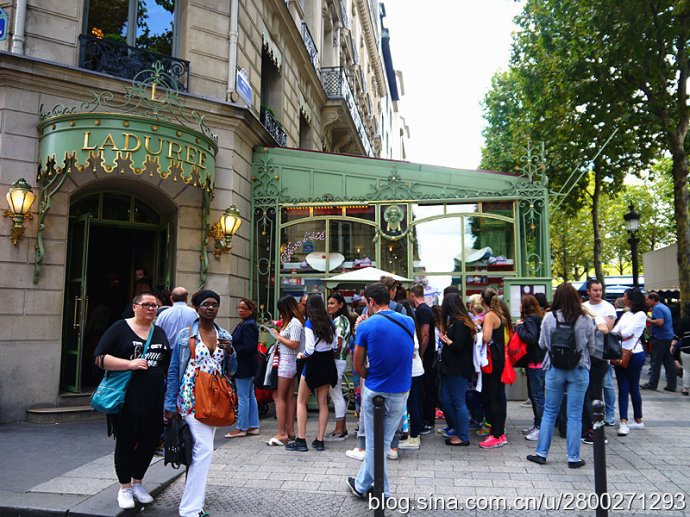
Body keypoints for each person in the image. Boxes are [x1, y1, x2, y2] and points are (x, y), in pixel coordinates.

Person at [94, 291, 170, 509]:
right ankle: (124, 487)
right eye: (146, 305)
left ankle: (138, 483)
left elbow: (165, 362)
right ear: (135, 307)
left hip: (153, 397)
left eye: (154, 306)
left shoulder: (158, 331)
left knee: (149, 441)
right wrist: (129, 364)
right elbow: (99, 358)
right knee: (126, 441)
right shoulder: (120, 328)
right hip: (127, 396)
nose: (151, 309)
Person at [163, 290, 237, 517]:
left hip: (215, 399)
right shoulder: (185, 336)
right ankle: (190, 510)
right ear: (196, 307)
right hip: (190, 397)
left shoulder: (224, 335)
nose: (211, 308)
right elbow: (174, 370)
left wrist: (230, 352)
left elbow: (232, 370)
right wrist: (169, 404)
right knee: (204, 450)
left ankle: (194, 504)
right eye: (206, 304)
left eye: (215, 304)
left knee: (200, 451)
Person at [347, 283, 414, 499]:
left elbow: (358, 367)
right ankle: (362, 485)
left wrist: (359, 330)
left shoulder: (366, 326)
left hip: (376, 389)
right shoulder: (409, 321)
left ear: (371, 302)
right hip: (401, 389)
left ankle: (380, 491)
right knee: (383, 442)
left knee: (375, 444)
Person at [526, 283, 594, 468]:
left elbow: (542, 344)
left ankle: (541, 453)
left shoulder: (549, 317)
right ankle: (573, 457)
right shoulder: (585, 319)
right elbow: (592, 347)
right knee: (575, 415)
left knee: (549, 412)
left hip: (554, 368)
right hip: (579, 368)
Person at [285, 294, 338, 452]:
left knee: (302, 401)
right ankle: (320, 440)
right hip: (328, 362)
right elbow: (335, 345)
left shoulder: (309, 322)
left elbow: (309, 348)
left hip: (313, 363)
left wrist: (302, 355)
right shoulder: (330, 322)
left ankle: (301, 440)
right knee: (323, 403)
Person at [438, 293, 476, 447]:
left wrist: (446, 341)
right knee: (446, 400)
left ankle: (462, 436)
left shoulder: (460, 324)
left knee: (458, 401)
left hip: (458, 369)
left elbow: (458, 346)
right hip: (450, 369)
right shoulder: (456, 322)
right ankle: (458, 429)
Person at [266, 296, 304, 445]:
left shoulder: (294, 323)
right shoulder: (294, 322)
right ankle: (289, 431)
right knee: (288, 396)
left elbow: (294, 344)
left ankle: (282, 433)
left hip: (288, 360)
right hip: (289, 360)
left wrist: (277, 336)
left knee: (279, 396)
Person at [612, 288, 648, 436]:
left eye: (625, 296)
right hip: (623, 353)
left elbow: (623, 333)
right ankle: (626, 420)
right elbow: (617, 332)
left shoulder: (640, 315)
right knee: (624, 388)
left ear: (632, 299)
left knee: (632, 388)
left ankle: (634, 420)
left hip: (633, 354)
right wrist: (623, 335)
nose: (623, 299)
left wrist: (622, 334)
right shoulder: (627, 314)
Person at [225, 298, 260, 438]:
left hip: (244, 366)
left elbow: (249, 347)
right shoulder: (245, 323)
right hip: (248, 365)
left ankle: (241, 428)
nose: (240, 310)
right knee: (250, 396)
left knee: (243, 397)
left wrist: (232, 348)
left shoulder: (248, 325)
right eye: (239, 308)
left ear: (251, 310)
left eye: (244, 308)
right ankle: (253, 425)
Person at [478, 287, 508, 448]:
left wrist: (478, 331)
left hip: (492, 361)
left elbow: (486, 337)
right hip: (498, 360)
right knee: (496, 397)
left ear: (482, 300)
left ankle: (497, 435)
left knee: (492, 397)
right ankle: (499, 432)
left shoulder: (489, 315)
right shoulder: (497, 314)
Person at [515, 294, 544, 441]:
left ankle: (540, 427)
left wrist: (519, 327)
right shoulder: (539, 318)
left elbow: (531, 338)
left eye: (521, 304)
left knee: (537, 396)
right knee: (535, 396)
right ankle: (537, 424)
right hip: (538, 362)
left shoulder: (530, 320)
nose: (519, 306)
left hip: (535, 363)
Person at [410, 283, 437, 434]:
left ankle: (428, 421)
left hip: (427, 356)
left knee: (427, 389)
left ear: (412, 295)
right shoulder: (424, 310)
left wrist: (420, 354)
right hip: (427, 355)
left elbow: (425, 334)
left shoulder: (423, 311)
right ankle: (426, 419)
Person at [398, 300, 425, 450]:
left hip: (413, 372)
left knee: (413, 404)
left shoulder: (408, 327)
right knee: (414, 403)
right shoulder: (411, 325)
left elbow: (414, 348)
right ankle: (415, 433)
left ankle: (414, 436)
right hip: (414, 371)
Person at [326, 292, 352, 441]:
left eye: (332, 303)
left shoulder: (339, 320)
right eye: (328, 303)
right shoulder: (342, 319)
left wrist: (330, 357)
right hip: (339, 360)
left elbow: (338, 343)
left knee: (336, 395)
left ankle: (339, 430)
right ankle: (342, 428)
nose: (329, 306)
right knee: (337, 394)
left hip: (337, 360)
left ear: (341, 304)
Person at [642, 292, 677, 392]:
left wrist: (647, 319)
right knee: (668, 362)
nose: (646, 302)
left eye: (647, 300)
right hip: (668, 337)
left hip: (660, 338)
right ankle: (671, 385)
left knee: (656, 362)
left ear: (653, 300)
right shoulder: (664, 307)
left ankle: (652, 383)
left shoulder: (657, 308)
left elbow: (660, 322)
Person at [671, 302, 690, 395]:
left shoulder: (684, 320)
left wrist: (672, 345)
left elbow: (678, 335)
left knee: (687, 370)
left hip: (686, 348)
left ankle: (686, 389)